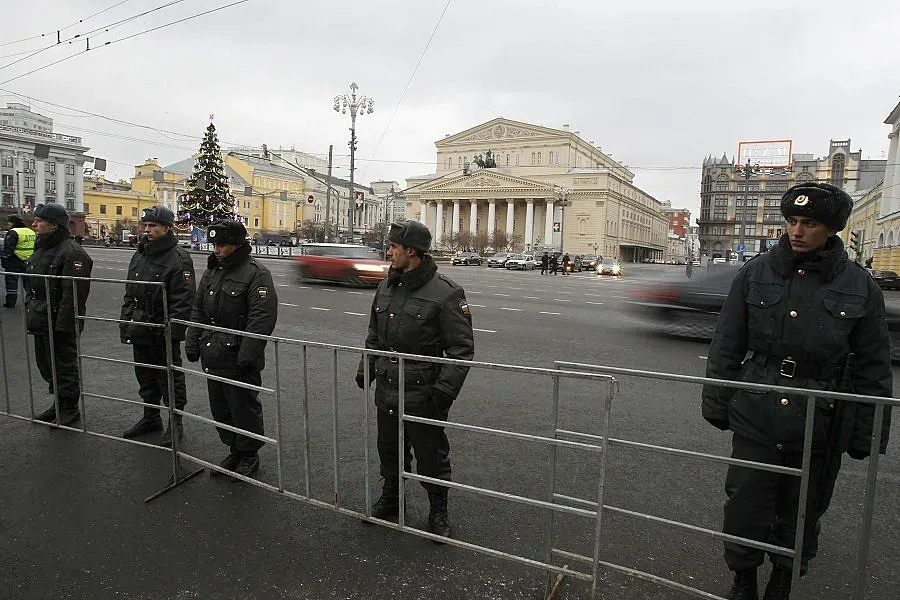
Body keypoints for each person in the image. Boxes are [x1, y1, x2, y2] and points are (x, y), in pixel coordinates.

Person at [701, 182, 892, 600]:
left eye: (809, 223)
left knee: (803, 506)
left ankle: (783, 578)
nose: (797, 231)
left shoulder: (861, 286)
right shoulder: (756, 272)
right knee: (746, 501)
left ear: (831, 230)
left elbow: (874, 366)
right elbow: (727, 341)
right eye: (792, 221)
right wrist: (717, 400)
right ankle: (744, 578)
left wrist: (868, 433)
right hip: (758, 408)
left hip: (821, 417)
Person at [356, 220, 475, 538]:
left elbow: (461, 350)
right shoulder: (387, 286)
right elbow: (374, 335)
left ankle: (438, 510)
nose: (389, 251)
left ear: (412, 251)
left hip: (424, 395)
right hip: (388, 390)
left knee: (431, 457)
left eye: (394, 247)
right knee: (389, 451)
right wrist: (365, 369)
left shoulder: (446, 293)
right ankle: (392, 499)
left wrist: (442, 393)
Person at [185, 220, 277, 478]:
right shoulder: (213, 270)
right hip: (213, 352)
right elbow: (199, 309)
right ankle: (234, 449)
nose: (216, 249)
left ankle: (249, 454)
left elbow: (261, 319)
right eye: (214, 244)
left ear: (237, 245)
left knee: (243, 408)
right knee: (221, 408)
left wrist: (246, 356)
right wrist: (193, 341)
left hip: (238, 356)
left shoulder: (256, 273)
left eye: (222, 244)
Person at [120, 206, 196, 444]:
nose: (147, 230)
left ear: (167, 227)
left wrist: (172, 332)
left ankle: (176, 422)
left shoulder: (179, 258)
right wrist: (126, 322)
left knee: (169, 377)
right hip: (140, 325)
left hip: (161, 328)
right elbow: (130, 291)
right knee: (144, 374)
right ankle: (151, 416)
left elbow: (184, 300)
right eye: (146, 225)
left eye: (152, 226)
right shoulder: (141, 253)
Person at [25, 203, 93, 426]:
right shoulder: (42, 247)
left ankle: (70, 410)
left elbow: (73, 294)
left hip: (59, 322)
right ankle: (59, 404)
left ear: (54, 225)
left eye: (39, 221)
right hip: (41, 317)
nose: (34, 224)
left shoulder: (72, 252)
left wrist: (65, 326)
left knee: (64, 367)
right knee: (47, 365)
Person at [1, 214, 35, 308]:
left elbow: (8, 248)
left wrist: (4, 261)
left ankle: (11, 303)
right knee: (28, 283)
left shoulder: (13, 232)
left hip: (15, 259)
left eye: (9, 222)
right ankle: (30, 302)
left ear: (12, 222)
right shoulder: (31, 231)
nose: (8, 224)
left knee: (11, 281)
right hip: (29, 259)